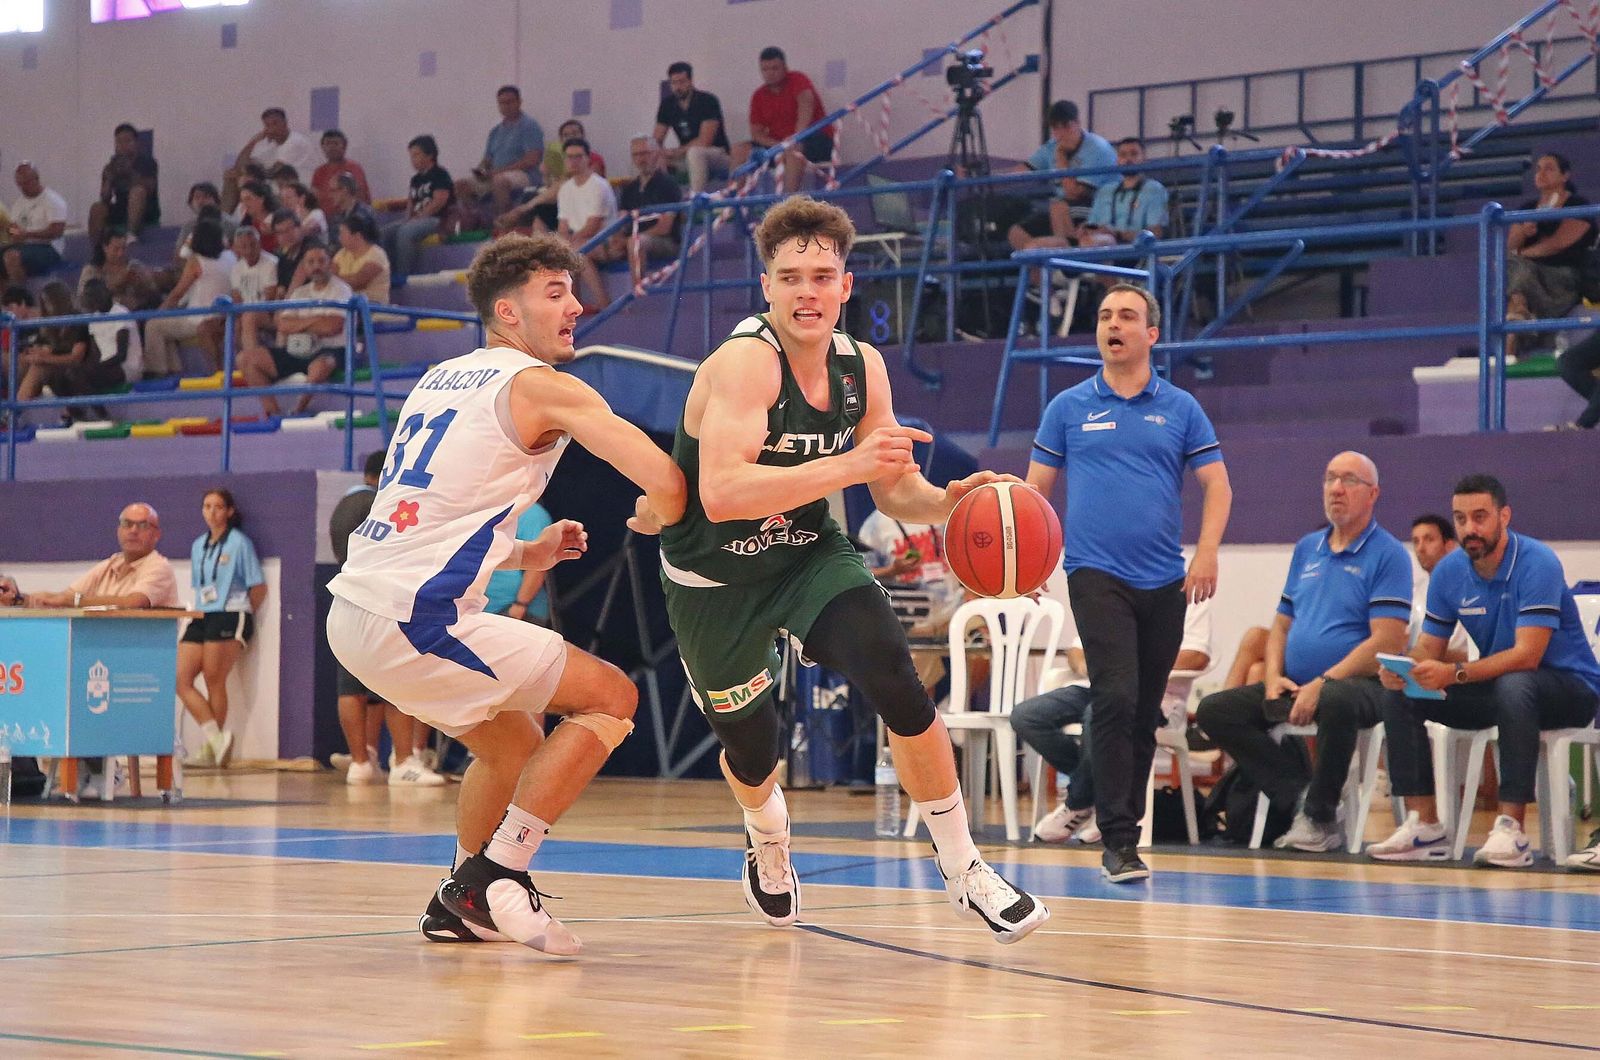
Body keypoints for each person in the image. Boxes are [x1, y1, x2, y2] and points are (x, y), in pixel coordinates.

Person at [651, 196, 1048, 942]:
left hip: (804, 554)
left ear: (846, 284)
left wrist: (948, 501)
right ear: (765, 287)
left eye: (822, 276)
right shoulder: (744, 364)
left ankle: (964, 868)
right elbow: (723, 493)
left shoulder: (861, 366)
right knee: (752, 748)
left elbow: (892, 488)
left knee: (892, 670)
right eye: (791, 277)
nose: (807, 291)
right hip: (714, 578)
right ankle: (767, 837)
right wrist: (850, 462)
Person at [327, 233, 686, 951]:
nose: (576, 305)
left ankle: (459, 899)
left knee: (515, 744)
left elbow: (430, 519)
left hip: (355, 612)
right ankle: (499, 873)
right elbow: (665, 478)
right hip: (415, 619)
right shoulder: (544, 385)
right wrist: (668, 512)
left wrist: (525, 550)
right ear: (507, 312)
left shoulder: (439, 378)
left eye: (574, 290)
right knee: (613, 696)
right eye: (554, 292)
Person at [1026, 284, 1231, 880]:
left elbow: (1217, 486)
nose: (1113, 324)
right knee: (1114, 697)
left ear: (1151, 335)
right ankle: (1119, 841)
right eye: (1105, 316)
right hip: (1094, 575)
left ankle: (1113, 821)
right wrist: (1030, 563)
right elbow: (1034, 495)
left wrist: (1208, 553)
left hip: (1165, 581)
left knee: (1143, 712)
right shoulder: (1067, 407)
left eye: (1127, 316)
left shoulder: (1182, 407)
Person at [1371, 474, 1600, 867]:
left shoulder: (1537, 562)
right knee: (1401, 692)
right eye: (1460, 519)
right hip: (1503, 688)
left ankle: (1511, 828)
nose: (1469, 529)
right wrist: (1407, 667)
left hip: (1570, 689)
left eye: (1480, 517)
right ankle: (1424, 825)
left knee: (1516, 684)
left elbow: (1527, 655)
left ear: (1504, 516)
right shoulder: (1449, 572)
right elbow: (1431, 647)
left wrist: (1453, 673)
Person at [1194, 452, 1410, 853]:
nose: (1336, 489)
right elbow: (1281, 624)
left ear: (1373, 494)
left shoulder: (1389, 554)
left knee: (1337, 698)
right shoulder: (1308, 548)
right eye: (1330, 479)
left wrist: (1324, 681)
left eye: (1349, 480)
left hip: (1361, 687)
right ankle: (1300, 796)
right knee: (1215, 710)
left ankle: (1320, 818)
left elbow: (1388, 640)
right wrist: (1274, 675)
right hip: (1297, 685)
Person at [1022, 598, 1213, 843]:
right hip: (1097, 685)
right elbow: (1077, 649)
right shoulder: (1109, 581)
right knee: (1027, 716)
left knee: (1100, 714)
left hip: (1155, 694)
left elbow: (1196, 656)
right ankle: (1098, 790)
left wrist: (1132, 668)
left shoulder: (1182, 587)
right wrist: (1088, 667)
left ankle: (1078, 800)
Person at [327, 451, 445, 786]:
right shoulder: (380, 504)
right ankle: (404, 760)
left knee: (351, 687)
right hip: (379, 600)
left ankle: (361, 762)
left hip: (346, 600)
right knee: (396, 681)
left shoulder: (341, 507)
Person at [176, 490, 268, 769]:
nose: (212, 512)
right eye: (206, 506)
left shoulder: (240, 543)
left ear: (229, 511)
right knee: (180, 678)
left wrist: (240, 612)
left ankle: (210, 747)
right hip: (203, 613)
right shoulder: (198, 546)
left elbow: (258, 586)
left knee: (215, 678)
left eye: (218, 507)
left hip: (230, 612)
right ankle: (216, 739)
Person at [239, 242, 351, 418]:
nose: (316, 267)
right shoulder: (299, 293)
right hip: (295, 350)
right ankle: (273, 413)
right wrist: (316, 320)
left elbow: (333, 327)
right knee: (245, 359)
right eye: (311, 262)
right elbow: (283, 325)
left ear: (330, 263)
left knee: (321, 366)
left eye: (321, 261)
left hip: (331, 350)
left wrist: (300, 322)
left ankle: (298, 410)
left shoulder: (342, 290)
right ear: (304, 267)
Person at [1505, 152, 1595, 357]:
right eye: (1538, 169)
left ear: (1565, 176)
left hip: (1564, 278)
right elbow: (1510, 248)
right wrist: (1522, 232)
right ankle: (1518, 313)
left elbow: (1558, 243)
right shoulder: (1527, 209)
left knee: (1517, 267)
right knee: (1509, 267)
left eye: (1549, 168)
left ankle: (1517, 320)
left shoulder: (1578, 205)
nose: (1541, 173)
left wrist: (1523, 253)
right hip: (1528, 279)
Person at [579, 137, 680, 302]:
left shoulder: (668, 184)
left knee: (635, 242)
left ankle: (638, 296)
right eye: (636, 155)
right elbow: (621, 223)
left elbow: (664, 227)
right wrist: (617, 240)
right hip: (631, 240)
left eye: (645, 153)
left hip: (665, 242)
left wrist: (627, 241)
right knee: (581, 249)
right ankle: (602, 303)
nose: (641, 159)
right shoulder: (630, 189)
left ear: (656, 154)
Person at [1007, 101, 1118, 252]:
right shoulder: (1051, 146)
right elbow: (1022, 170)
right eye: (1055, 127)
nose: (1061, 133)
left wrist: (1061, 158)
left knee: (1059, 207)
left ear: (1078, 123)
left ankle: (1068, 268)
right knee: (1017, 233)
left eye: (1066, 125)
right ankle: (1042, 267)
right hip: (1067, 209)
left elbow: (1074, 193)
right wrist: (985, 176)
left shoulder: (1097, 148)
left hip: (1098, 207)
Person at [24, 503, 178, 610]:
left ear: (157, 534)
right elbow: (67, 596)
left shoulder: (158, 566)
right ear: (118, 530)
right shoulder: (110, 564)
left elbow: (134, 602)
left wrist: (74, 601)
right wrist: (30, 598)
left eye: (143, 525)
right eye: (127, 523)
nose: (133, 531)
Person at [732, 46, 835, 194]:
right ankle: (735, 205)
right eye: (765, 70)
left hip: (814, 140)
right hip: (779, 145)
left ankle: (786, 204)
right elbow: (757, 133)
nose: (770, 74)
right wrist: (778, 145)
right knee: (739, 150)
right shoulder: (759, 95)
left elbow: (806, 108)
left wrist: (793, 140)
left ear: (785, 67)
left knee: (793, 150)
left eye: (775, 68)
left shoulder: (798, 80)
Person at [146, 216, 234, 375]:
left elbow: (177, 294)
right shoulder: (231, 257)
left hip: (199, 319)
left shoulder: (196, 261)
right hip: (222, 316)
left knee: (153, 325)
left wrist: (157, 312)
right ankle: (174, 371)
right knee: (165, 326)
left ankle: (157, 373)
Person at [455, 86, 546, 230]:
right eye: (502, 103)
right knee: (461, 185)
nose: (506, 106)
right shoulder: (495, 132)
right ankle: (476, 223)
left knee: (500, 181)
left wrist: (498, 172)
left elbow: (532, 160)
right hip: (496, 174)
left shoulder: (529, 126)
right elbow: (487, 160)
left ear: (519, 102)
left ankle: (504, 225)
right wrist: (480, 172)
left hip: (526, 175)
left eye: (510, 102)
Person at [379, 135, 453, 287]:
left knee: (405, 232)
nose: (413, 159)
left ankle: (403, 275)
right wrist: (408, 218)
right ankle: (387, 274)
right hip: (417, 218)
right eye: (411, 156)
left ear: (430, 155)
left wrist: (419, 217)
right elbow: (411, 203)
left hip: (437, 219)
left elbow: (440, 200)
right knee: (385, 233)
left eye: (416, 155)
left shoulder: (440, 174)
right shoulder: (415, 180)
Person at [554, 139, 617, 309]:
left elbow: (593, 226)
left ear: (588, 158)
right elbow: (563, 227)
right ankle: (574, 305)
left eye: (578, 156)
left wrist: (568, 244)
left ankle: (603, 303)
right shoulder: (565, 189)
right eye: (569, 157)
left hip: (607, 242)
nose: (573, 161)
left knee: (577, 252)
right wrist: (564, 244)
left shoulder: (599, 186)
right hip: (581, 242)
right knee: (570, 251)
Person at [655, 61, 732, 194]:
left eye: (682, 82)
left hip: (716, 154)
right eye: (674, 83)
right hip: (686, 156)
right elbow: (656, 140)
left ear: (691, 81)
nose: (678, 87)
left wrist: (675, 152)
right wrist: (659, 154)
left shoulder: (707, 101)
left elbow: (705, 141)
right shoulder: (667, 105)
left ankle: (696, 201)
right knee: (643, 155)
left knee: (695, 153)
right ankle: (654, 204)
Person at [1077, 137, 1168, 247]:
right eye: (1123, 155)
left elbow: (1155, 233)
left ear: (1144, 158)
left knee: (1093, 242)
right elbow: (1092, 224)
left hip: (1134, 249)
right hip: (1098, 242)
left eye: (1134, 154)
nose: (1128, 159)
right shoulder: (1105, 191)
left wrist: (1118, 234)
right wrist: (1085, 229)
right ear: (1117, 160)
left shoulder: (1154, 189)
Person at [227, 107, 319, 211]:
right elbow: (240, 165)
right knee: (232, 175)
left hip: (299, 192)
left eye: (275, 124)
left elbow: (273, 173)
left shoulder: (295, 141)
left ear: (285, 123)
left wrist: (253, 173)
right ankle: (224, 218)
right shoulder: (271, 145)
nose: (272, 129)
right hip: (278, 191)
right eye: (267, 125)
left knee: (249, 183)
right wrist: (254, 141)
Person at [482, 501, 555, 626]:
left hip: (515, 610)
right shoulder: (489, 508)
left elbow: (538, 564)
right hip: (485, 608)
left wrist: (520, 604)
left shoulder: (533, 514)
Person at [88, 123, 160, 243]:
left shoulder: (148, 162)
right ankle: (96, 247)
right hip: (121, 208)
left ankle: (131, 235)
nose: (123, 145)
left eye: (127, 141)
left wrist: (130, 172)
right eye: (119, 142)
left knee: (137, 191)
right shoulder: (111, 166)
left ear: (136, 143)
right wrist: (109, 179)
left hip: (145, 210)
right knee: (97, 207)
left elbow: (150, 188)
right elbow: (105, 198)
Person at [3, 163, 69, 284]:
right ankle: (5, 299)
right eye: (20, 184)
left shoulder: (53, 201)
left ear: (36, 179)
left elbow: (57, 231)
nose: (23, 187)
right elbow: (11, 229)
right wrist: (15, 233)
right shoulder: (18, 204)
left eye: (26, 183)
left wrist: (27, 234)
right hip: (24, 246)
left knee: (11, 257)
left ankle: (21, 297)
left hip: (49, 249)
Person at [81, 278, 143, 388]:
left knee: (85, 377)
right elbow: (96, 353)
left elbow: (121, 355)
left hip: (127, 367)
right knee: (73, 375)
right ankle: (94, 405)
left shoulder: (120, 312)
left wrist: (97, 367)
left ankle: (95, 404)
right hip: (105, 366)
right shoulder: (94, 318)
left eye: (92, 296)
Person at [227, 225, 281, 354]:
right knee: (233, 323)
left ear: (259, 243)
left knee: (248, 317)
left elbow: (269, 302)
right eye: (244, 246)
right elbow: (236, 299)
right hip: (246, 312)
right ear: (237, 248)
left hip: (270, 314)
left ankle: (251, 361)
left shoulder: (272, 263)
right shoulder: (236, 269)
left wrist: (246, 314)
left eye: (253, 245)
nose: (249, 250)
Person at [79, 229, 157, 311]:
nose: (120, 254)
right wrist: (117, 284)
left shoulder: (135, 266)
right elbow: (85, 299)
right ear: (105, 248)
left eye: (123, 248)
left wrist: (141, 284)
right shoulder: (91, 270)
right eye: (116, 249)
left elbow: (152, 292)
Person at [333, 211, 391, 305]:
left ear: (357, 236)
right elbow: (330, 275)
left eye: (342, 233)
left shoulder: (377, 254)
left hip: (372, 305)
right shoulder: (341, 253)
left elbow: (356, 282)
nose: (339, 237)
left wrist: (333, 280)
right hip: (346, 302)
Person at [311, 129, 371, 206]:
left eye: (336, 144)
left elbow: (358, 197)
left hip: (351, 216)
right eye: (328, 143)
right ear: (322, 147)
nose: (332, 148)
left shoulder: (354, 168)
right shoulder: (319, 172)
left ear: (344, 146)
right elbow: (313, 199)